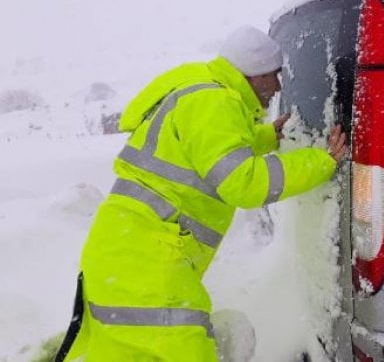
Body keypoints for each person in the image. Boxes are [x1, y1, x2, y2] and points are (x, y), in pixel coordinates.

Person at [55, 25, 346, 361]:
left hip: (125, 253)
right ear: (252, 74)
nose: (277, 86)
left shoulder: (203, 92)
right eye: (272, 75)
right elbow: (244, 183)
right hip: (147, 264)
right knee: (188, 351)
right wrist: (319, 161)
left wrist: (266, 137)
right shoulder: (214, 102)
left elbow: (209, 149)